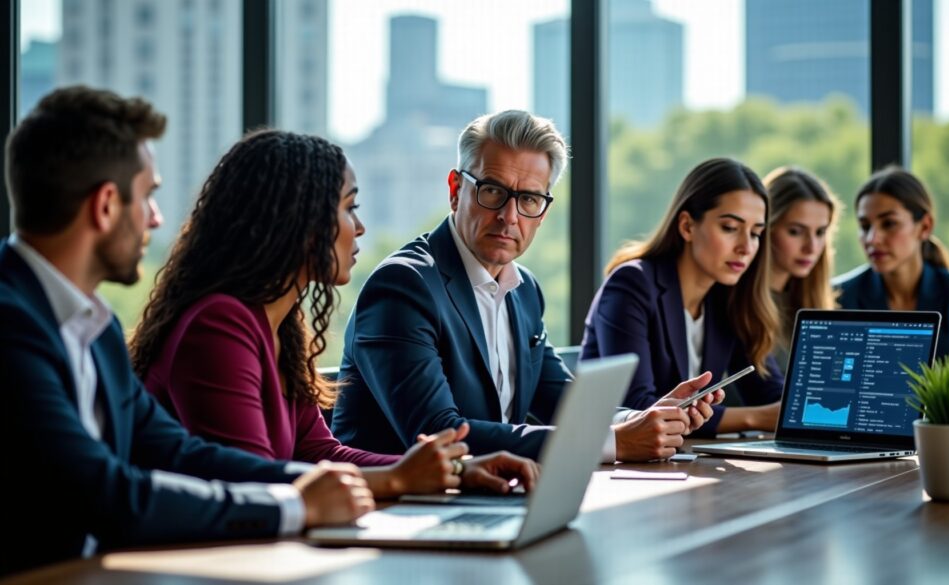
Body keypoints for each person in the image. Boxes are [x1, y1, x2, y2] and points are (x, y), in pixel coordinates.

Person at [0, 87, 373, 576]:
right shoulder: (11, 324)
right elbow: (107, 493)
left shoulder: (95, 327)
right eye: (148, 196)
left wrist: (324, 486)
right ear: (106, 205)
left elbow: (179, 452)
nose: (157, 218)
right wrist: (296, 504)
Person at [130, 129, 537, 498]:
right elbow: (256, 484)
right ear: (295, 219)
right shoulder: (218, 325)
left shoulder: (281, 328)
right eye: (348, 208)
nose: (359, 227)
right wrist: (397, 479)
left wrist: (456, 472)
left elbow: (319, 452)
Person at [331, 110, 721, 461]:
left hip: (490, 495)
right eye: (492, 191)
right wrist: (613, 442)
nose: (509, 216)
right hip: (399, 507)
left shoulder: (524, 290)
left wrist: (648, 418)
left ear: (543, 211)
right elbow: (439, 434)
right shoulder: (403, 286)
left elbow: (562, 402)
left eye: (529, 199)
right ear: (455, 190)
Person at [580, 158, 784, 436]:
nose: (746, 247)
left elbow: (770, 394)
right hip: (612, 455)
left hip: (680, 456)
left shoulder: (728, 298)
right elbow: (639, 409)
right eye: (729, 228)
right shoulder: (631, 284)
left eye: (756, 233)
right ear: (687, 226)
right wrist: (754, 419)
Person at [833, 166, 949, 359]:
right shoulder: (841, 296)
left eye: (889, 224)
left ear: (925, 226)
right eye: (865, 226)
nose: (872, 239)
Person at [764, 167, 840, 373]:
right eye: (795, 232)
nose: (811, 247)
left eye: (820, 232)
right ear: (766, 228)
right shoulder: (738, 306)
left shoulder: (814, 303)